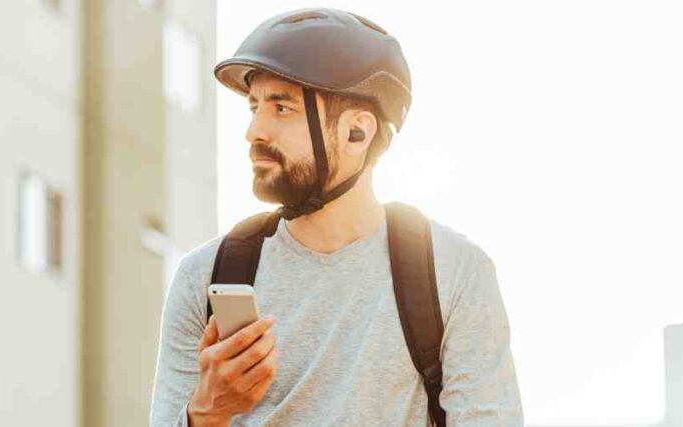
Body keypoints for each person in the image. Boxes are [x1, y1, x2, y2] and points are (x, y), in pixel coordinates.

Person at [150, 8, 523, 426]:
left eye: (282, 108)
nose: (254, 130)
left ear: (356, 133)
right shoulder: (206, 275)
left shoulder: (452, 272)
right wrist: (206, 412)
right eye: (254, 107)